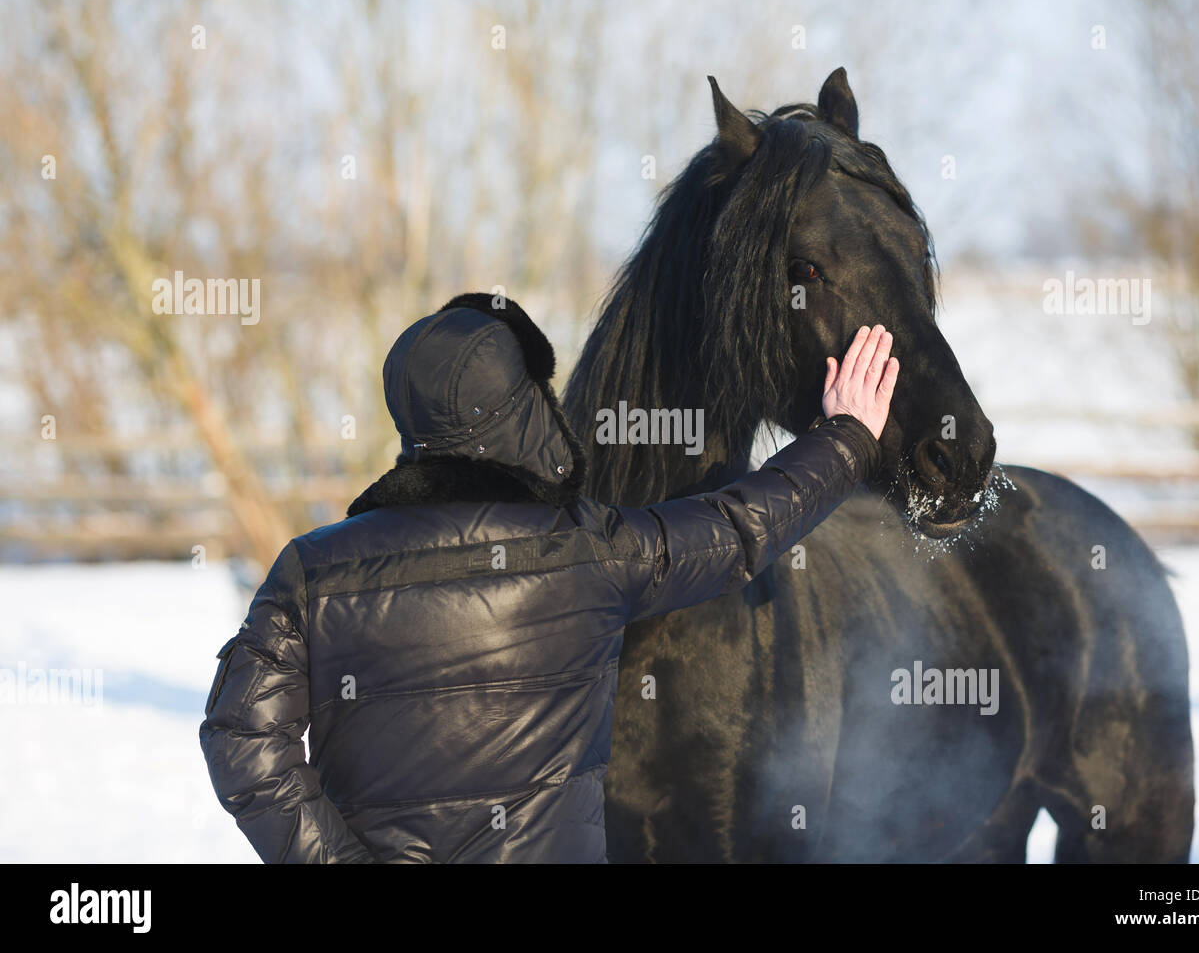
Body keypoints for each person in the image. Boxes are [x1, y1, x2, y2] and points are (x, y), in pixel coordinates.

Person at [199, 292, 898, 863]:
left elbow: (240, 739)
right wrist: (846, 438)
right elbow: (739, 526)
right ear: (525, 409)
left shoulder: (312, 569)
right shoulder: (591, 552)